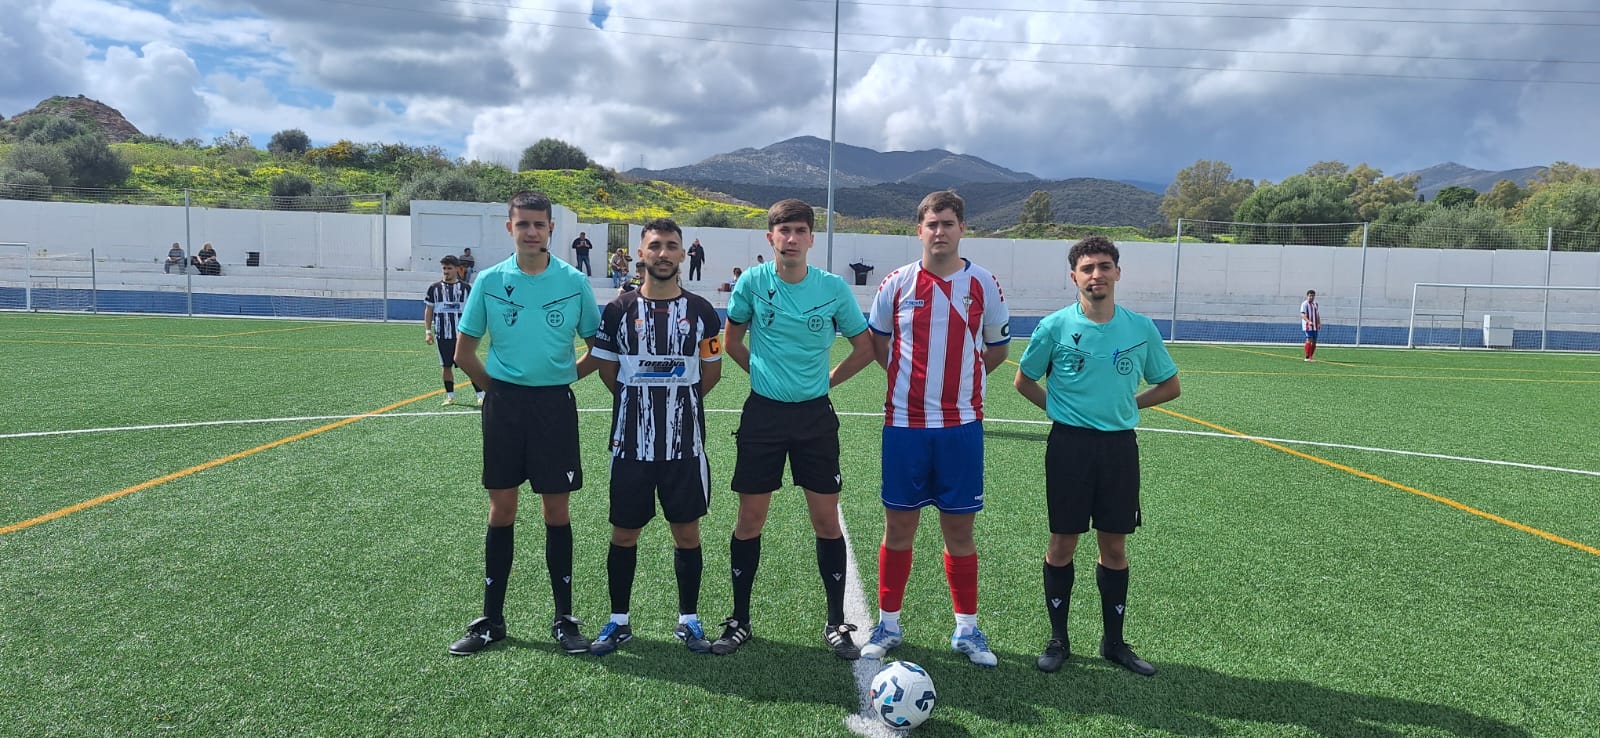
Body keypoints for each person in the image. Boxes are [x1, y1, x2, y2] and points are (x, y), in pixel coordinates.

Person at [714, 198, 876, 659]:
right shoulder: (752, 282)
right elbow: (732, 341)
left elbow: (865, 348)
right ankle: (740, 620)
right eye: (783, 231)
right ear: (771, 238)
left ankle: (835, 621)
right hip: (763, 416)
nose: (791, 239)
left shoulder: (833, 288)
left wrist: (827, 381)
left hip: (814, 418)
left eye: (799, 231)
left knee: (825, 520)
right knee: (750, 519)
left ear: (811, 239)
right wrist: (763, 376)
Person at [1013, 235, 1180, 677]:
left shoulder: (1140, 328)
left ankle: (1114, 642)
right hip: (1068, 447)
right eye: (1087, 268)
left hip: (1118, 447)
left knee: (1114, 545)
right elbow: (1024, 380)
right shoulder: (1054, 327)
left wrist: (1128, 406)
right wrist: (1059, 410)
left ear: (1117, 273)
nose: (1096, 275)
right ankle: (1058, 640)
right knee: (1062, 542)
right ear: (1074, 277)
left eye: (1104, 266)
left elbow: (1170, 385)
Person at [859, 190, 1010, 669]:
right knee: (898, 526)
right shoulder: (897, 282)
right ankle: (888, 624)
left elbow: (997, 349)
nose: (939, 231)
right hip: (904, 425)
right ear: (919, 230)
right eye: (932, 224)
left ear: (962, 228)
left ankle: (967, 629)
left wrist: (965, 383)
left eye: (948, 223)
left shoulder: (983, 283)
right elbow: (879, 345)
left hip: (960, 426)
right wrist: (909, 383)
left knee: (959, 530)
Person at [447, 191, 602, 657]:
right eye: (523, 224)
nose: (531, 231)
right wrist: (497, 393)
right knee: (502, 510)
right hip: (505, 409)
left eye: (539, 224)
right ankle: (492, 620)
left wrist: (561, 378)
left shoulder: (574, 281)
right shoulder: (490, 280)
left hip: (555, 407)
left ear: (552, 228)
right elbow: (463, 353)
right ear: (509, 228)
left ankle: (564, 619)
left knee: (557, 512)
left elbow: (599, 348)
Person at [587, 218, 724, 656]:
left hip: (685, 446)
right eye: (655, 246)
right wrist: (639, 402)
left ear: (683, 253)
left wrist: (680, 404)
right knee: (624, 534)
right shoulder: (618, 310)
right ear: (641, 253)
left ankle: (689, 619)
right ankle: (618, 621)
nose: (663, 253)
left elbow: (712, 370)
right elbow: (607, 370)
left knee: (687, 533)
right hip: (631, 445)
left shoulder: (702, 311)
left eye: (671, 245)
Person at [424, 255, 483, 407]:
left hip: (462, 335)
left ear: (457, 269)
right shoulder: (434, 288)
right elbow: (429, 310)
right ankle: (450, 396)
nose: (446, 271)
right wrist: (428, 331)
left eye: (449, 268)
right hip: (442, 334)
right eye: (444, 268)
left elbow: (473, 310)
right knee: (446, 366)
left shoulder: (466, 288)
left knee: (468, 364)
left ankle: (481, 396)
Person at [1301, 289, 1321, 361]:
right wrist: (1308, 321)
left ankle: (1311, 356)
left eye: (1312, 296)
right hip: (1308, 326)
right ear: (1307, 296)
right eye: (1310, 296)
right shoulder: (1304, 304)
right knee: (1309, 339)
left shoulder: (1315, 304)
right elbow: (1302, 314)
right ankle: (1307, 357)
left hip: (1315, 325)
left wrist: (1319, 323)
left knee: (1314, 341)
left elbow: (1317, 314)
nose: (1311, 297)